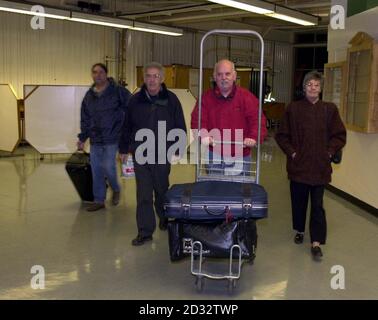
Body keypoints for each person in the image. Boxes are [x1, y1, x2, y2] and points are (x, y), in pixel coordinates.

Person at [275, 71, 346, 260]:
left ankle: (316, 242)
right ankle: (299, 229)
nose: (313, 87)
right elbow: (282, 135)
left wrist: (329, 152)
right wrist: (293, 153)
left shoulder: (329, 109)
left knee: (317, 205)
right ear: (304, 87)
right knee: (298, 202)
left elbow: (339, 135)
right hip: (299, 166)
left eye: (316, 84)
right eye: (309, 84)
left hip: (320, 168)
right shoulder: (294, 108)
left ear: (321, 88)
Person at [119, 62, 187, 246]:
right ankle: (145, 231)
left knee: (161, 189)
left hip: (162, 153)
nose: (152, 79)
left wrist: (178, 148)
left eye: (156, 76)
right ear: (144, 78)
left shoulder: (171, 100)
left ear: (162, 79)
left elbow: (179, 124)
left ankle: (164, 216)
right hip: (141, 153)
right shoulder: (135, 100)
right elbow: (126, 126)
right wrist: (124, 148)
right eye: (148, 76)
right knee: (143, 193)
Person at [191, 59, 267, 176]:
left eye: (227, 74)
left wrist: (253, 137)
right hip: (214, 154)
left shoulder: (247, 98)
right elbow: (198, 120)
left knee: (238, 192)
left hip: (240, 155)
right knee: (214, 190)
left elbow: (257, 120)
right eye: (220, 74)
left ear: (234, 76)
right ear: (214, 77)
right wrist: (204, 135)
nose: (223, 77)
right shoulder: (205, 99)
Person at [77, 63, 131, 212]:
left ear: (106, 74)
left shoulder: (118, 92)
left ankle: (116, 188)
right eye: (95, 72)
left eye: (101, 72)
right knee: (96, 170)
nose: (98, 75)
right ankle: (99, 200)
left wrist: (127, 131)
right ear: (92, 75)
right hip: (95, 138)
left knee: (108, 167)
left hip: (113, 136)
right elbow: (85, 119)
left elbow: (131, 108)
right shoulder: (89, 96)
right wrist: (82, 138)